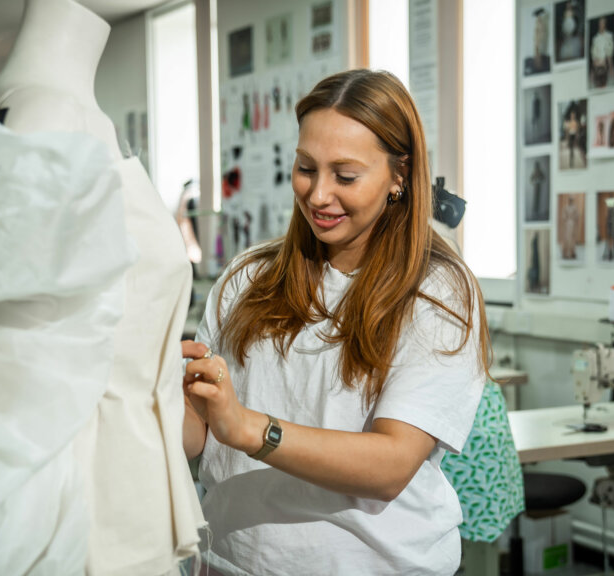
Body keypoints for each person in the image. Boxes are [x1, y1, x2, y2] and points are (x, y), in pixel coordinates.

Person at [181, 69, 492, 576]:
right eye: (306, 168)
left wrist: (248, 428)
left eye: (345, 176)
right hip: (230, 562)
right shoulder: (246, 279)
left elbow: (390, 465)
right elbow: (197, 434)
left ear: (399, 175)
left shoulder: (437, 292)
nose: (319, 195)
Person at [591, 16, 614, 88]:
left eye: (603, 23)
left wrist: (611, 67)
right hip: (597, 63)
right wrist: (592, 73)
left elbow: (609, 54)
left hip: (604, 63)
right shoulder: (595, 38)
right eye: (600, 23)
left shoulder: (609, 36)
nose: (601, 25)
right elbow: (594, 54)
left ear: (605, 24)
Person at [563, 101, 582, 168]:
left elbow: (577, 130)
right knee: (571, 149)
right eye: (572, 115)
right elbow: (567, 131)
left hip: (574, 135)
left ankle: (575, 158)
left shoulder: (576, 122)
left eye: (573, 115)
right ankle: (571, 160)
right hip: (571, 135)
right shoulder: (569, 122)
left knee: (577, 148)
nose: (572, 116)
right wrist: (567, 138)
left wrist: (577, 136)